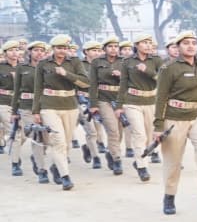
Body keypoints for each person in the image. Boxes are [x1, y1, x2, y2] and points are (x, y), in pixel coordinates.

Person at [152, 31, 197, 213]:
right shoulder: (169, 68)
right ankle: (169, 197)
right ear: (178, 47)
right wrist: (158, 126)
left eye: (193, 42)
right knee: (173, 161)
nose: (190, 46)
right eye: (185, 43)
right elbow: (161, 97)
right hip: (175, 117)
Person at [32, 34, 90, 190]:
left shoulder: (75, 62)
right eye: (59, 48)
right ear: (53, 48)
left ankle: (56, 166)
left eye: (65, 48)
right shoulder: (43, 64)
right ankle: (65, 177)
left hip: (70, 105)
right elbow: (38, 88)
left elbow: (85, 83)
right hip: (49, 106)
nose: (62, 51)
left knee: (67, 143)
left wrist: (67, 74)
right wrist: (36, 111)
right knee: (58, 141)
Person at [117, 34, 163, 182]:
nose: (148, 45)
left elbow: (162, 80)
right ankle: (143, 167)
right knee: (139, 134)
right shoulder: (127, 62)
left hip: (151, 101)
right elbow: (123, 84)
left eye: (150, 43)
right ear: (136, 45)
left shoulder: (156, 60)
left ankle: (139, 160)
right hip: (132, 102)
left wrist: (148, 71)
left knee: (149, 137)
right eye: (144, 43)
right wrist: (119, 105)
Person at [9, 41, 49, 181]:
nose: (39, 53)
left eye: (42, 50)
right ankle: (42, 170)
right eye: (36, 50)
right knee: (36, 136)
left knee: (47, 139)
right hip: (27, 107)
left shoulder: (48, 67)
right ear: (30, 52)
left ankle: (37, 157)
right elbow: (16, 91)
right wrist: (14, 112)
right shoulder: (22, 67)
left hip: (46, 106)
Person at [88, 36, 126, 175]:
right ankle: (117, 160)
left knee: (119, 131)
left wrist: (121, 76)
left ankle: (111, 151)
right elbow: (93, 84)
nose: (113, 49)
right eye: (110, 46)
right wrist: (93, 104)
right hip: (104, 99)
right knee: (112, 129)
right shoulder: (97, 62)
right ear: (104, 49)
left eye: (116, 46)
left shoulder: (124, 62)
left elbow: (131, 81)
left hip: (120, 99)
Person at [1, 40, 21, 174]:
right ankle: (15, 163)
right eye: (11, 50)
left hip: (22, 103)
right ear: (5, 53)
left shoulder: (24, 67)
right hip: (4, 102)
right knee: (14, 132)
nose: (14, 53)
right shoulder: (1, 67)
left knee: (23, 135)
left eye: (17, 50)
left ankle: (14, 151)